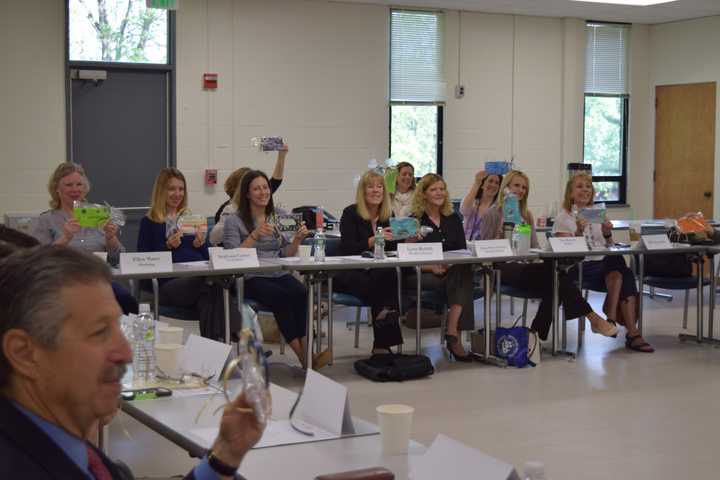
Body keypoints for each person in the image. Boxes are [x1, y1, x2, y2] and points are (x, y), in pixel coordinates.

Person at [0, 246, 263, 478]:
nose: (126, 353)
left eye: (117, 326)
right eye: (100, 332)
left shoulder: (57, 440)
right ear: (24, 353)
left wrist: (224, 458)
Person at [479, 170, 618, 341]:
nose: (520, 190)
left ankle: (535, 336)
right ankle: (592, 318)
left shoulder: (526, 215)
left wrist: (537, 255)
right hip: (501, 267)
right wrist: (503, 233)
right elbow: (483, 250)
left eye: (524, 187)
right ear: (506, 187)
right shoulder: (493, 213)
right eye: (516, 185)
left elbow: (535, 247)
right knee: (556, 278)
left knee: (555, 279)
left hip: (525, 264)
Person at [223, 170, 320, 368]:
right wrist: (254, 235)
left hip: (277, 271)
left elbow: (287, 254)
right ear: (247, 194)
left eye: (265, 187)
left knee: (302, 293)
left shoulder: (280, 216)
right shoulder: (234, 220)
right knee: (281, 298)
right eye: (256, 189)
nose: (263, 192)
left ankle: (307, 354)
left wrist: (297, 240)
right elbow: (231, 256)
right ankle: (304, 357)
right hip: (249, 276)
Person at [554, 173, 653, 352]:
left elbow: (608, 245)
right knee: (619, 267)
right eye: (580, 186)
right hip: (579, 266)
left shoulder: (596, 213)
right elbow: (565, 252)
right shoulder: (563, 217)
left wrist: (607, 233)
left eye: (588, 187)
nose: (585, 190)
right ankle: (632, 333)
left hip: (603, 266)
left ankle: (613, 319)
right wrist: (578, 231)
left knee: (620, 269)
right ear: (570, 193)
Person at [138, 168, 239, 340]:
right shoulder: (149, 222)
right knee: (215, 284)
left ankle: (214, 352)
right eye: (171, 189)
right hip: (168, 284)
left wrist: (200, 244)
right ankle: (236, 335)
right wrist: (167, 247)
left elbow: (208, 258)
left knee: (210, 292)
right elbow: (143, 264)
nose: (177, 194)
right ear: (161, 191)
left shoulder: (191, 219)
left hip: (200, 281)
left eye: (181, 189)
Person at [32, 162, 138, 315]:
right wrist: (65, 238)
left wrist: (111, 238)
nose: (75, 189)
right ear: (57, 189)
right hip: (64, 283)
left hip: (99, 281)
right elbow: (38, 261)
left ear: (85, 187)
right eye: (69, 185)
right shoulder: (46, 220)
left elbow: (119, 259)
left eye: (79, 184)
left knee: (126, 300)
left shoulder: (99, 215)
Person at [335, 170, 404, 353]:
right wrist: (373, 240)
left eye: (380, 186)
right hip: (352, 271)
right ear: (363, 191)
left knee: (387, 272)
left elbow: (394, 248)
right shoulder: (350, 213)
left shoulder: (388, 216)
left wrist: (407, 238)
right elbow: (348, 247)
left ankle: (384, 319)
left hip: (377, 271)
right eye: (371, 186)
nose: (376, 190)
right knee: (384, 282)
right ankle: (383, 341)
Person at [410, 174, 476, 361]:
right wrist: (430, 267)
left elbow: (462, 250)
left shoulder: (452, 218)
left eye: (442, 189)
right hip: (422, 272)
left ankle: (452, 331)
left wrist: (450, 263)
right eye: (433, 189)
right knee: (464, 282)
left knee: (463, 271)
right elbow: (406, 256)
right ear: (423, 194)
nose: (439, 193)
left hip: (451, 271)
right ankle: (454, 337)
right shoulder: (414, 220)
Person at [210, 145, 289, 245]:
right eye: (255, 187)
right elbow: (214, 239)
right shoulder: (229, 209)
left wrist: (281, 156)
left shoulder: (260, 200)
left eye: (264, 187)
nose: (262, 192)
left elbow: (275, 181)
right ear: (245, 190)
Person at [460, 170, 502, 240]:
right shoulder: (473, 202)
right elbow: (464, 210)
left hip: (487, 247)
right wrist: (477, 183)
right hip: (467, 244)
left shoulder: (499, 207)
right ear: (482, 184)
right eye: (490, 181)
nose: (493, 185)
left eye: (497, 183)